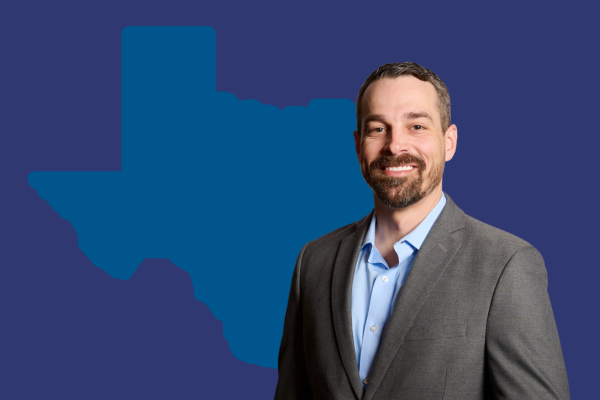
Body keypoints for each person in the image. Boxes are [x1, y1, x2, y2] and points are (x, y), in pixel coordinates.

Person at [274, 62, 569, 400]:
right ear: (358, 145)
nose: (395, 145)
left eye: (416, 126)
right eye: (377, 128)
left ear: (449, 142)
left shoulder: (506, 265)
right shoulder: (313, 262)